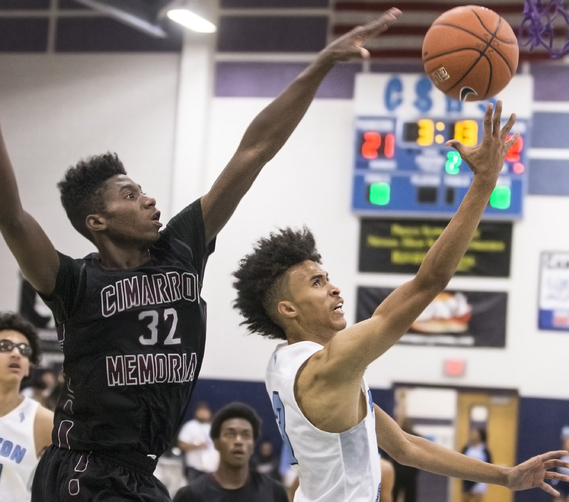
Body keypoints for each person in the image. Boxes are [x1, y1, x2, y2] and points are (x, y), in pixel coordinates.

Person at [0, 7, 400, 501]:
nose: (147, 198)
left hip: (141, 472)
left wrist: (319, 65)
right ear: (96, 222)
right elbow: (13, 216)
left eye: (142, 189)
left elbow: (254, 149)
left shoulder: (180, 249)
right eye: (129, 194)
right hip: (84, 467)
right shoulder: (74, 282)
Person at [233, 102, 569, 502]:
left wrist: (506, 476)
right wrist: (484, 182)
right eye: (318, 283)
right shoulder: (332, 365)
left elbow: (405, 448)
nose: (335, 289)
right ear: (287, 309)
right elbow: (429, 282)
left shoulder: (285, 365)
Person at [173, 402, 288, 502]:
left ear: (253, 445)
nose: (238, 441)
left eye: (246, 435)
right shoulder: (190, 495)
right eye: (230, 434)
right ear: (216, 443)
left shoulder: (274, 492)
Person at [0, 312, 54, 502]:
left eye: (24, 350)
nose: (16, 353)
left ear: (29, 366)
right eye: (5, 346)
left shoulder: (43, 421)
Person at [178, 402, 219, 482]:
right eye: (201, 411)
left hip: (212, 469)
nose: (203, 414)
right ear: (196, 413)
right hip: (195, 468)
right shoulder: (190, 426)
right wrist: (198, 446)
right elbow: (181, 445)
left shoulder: (213, 427)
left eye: (205, 411)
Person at [461, 428, 493, 502]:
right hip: (467, 478)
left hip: (480, 479)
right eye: (471, 433)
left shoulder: (484, 450)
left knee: (477, 499)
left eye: (474, 433)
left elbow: (490, 463)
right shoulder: (466, 448)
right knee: (465, 499)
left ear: (480, 436)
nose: (472, 435)